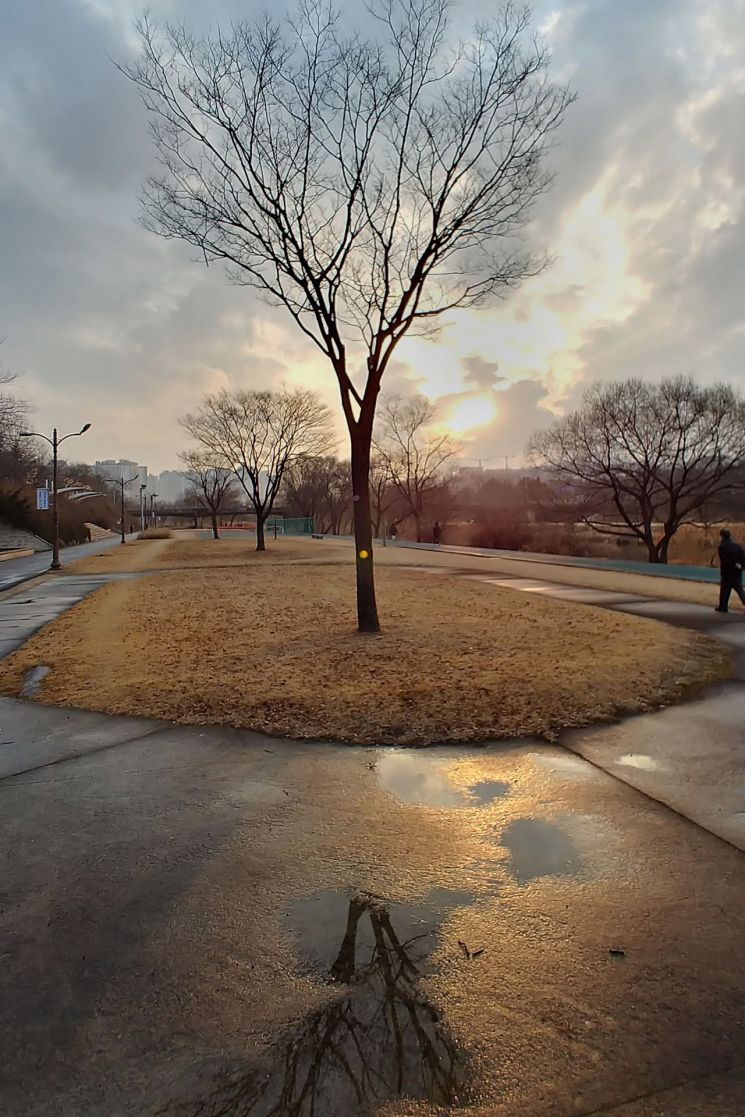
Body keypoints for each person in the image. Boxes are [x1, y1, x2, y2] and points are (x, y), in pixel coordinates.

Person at [716, 528, 745, 614]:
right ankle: (723, 606)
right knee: (740, 590)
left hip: (727, 573)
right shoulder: (738, 546)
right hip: (737, 572)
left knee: (725, 590)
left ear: (722, 536)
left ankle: (723, 607)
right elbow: (743, 556)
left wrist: (732, 565)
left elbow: (725, 560)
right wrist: (739, 564)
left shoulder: (721, 547)